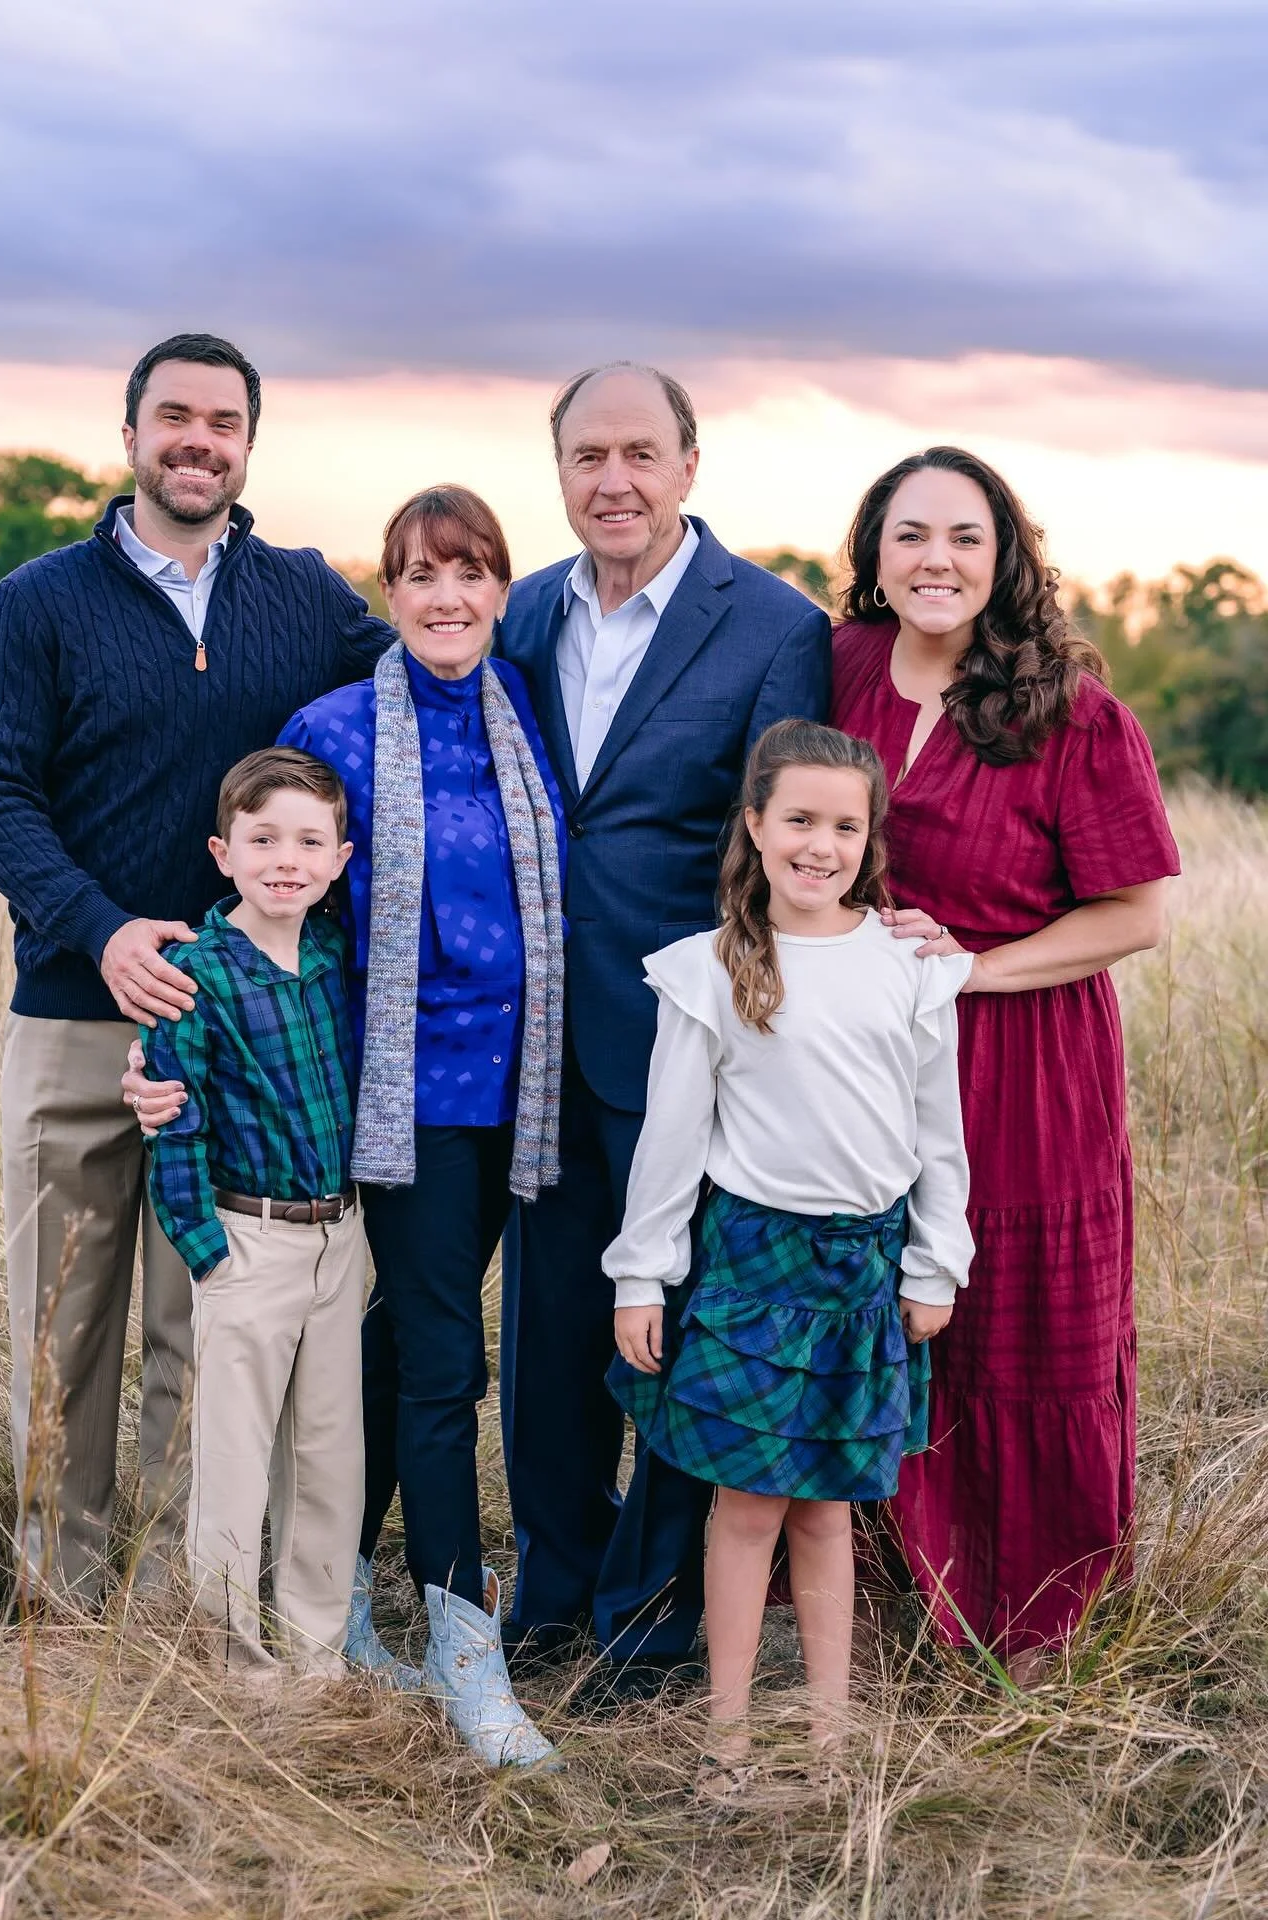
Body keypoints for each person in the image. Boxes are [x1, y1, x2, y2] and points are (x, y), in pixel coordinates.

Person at [0, 332, 391, 1604]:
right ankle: (61, 1593)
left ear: (249, 444)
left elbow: (415, 682)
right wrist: (102, 927)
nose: (198, 441)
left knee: (197, 1324)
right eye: (174, 418)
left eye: (223, 422)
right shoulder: (39, 599)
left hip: (240, 1033)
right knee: (65, 1326)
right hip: (82, 1016)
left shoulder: (305, 596)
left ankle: (169, 1599)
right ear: (131, 431)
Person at [136, 487, 566, 1765]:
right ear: (388, 595)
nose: (447, 598)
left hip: (521, 1090)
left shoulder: (522, 710)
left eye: (471, 574)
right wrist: (178, 1059)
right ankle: (464, 1645)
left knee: (387, 1351)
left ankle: (347, 1606)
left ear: (502, 590)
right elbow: (279, 890)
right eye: (421, 576)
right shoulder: (334, 727)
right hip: (403, 1103)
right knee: (444, 1364)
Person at [493, 363, 832, 1696]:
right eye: (587, 456)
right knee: (551, 1337)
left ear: (690, 465)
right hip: (531, 1041)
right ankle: (552, 1591)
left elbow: (782, 842)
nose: (613, 480)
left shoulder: (772, 627)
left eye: (640, 453)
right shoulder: (522, 612)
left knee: (680, 1337)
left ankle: (652, 1618)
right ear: (561, 472)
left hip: (688, 1044)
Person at [830, 446, 1178, 1680]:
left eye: (964, 538)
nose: (935, 561)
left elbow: (1135, 913)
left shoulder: (1071, 708)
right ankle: (869, 1598)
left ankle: (1029, 1620)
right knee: (873, 1309)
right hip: (858, 1065)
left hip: (1020, 1063)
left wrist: (972, 967)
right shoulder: (838, 668)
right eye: (911, 534)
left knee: (1013, 1325)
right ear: (874, 550)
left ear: (1004, 557)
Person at [605, 718, 971, 1791]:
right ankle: (724, 1739)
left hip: (865, 1269)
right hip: (751, 1264)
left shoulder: (907, 964)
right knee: (746, 1507)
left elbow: (936, 1131)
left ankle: (826, 1737)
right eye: (799, 819)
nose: (821, 845)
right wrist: (642, 1272)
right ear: (755, 825)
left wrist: (934, 1263)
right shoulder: (709, 969)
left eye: (845, 826)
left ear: (871, 838)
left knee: (828, 1509)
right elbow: (669, 1141)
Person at [142, 748, 364, 1676]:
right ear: (221, 851)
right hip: (248, 1239)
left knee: (327, 1457)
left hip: (340, 1239)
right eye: (262, 838)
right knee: (233, 1462)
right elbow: (173, 1122)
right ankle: (235, 1658)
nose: (286, 859)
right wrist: (206, 1251)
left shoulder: (330, 956)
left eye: (310, 841)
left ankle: (315, 1651)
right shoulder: (196, 972)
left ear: (341, 860)